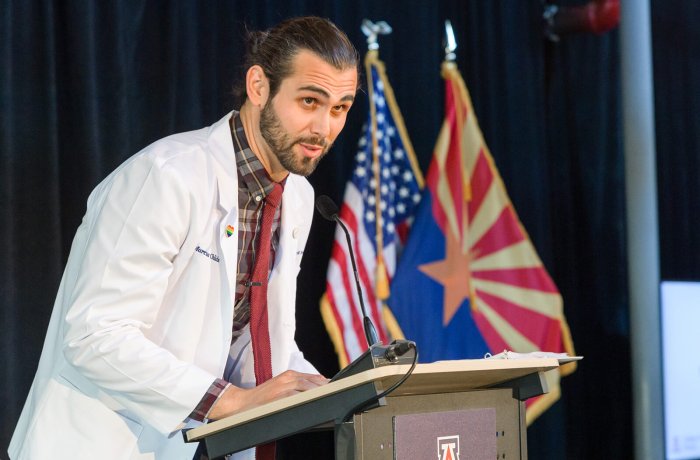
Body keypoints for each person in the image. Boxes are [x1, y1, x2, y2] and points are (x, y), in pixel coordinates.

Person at [8, 16, 360, 460]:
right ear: (258, 86)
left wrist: (334, 392)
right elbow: (95, 335)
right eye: (310, 101)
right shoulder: (166, 177)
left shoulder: (298, 198)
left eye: (340, 108)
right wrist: (230, 401)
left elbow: (257, 339)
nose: (323, 129)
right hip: (92, 443)